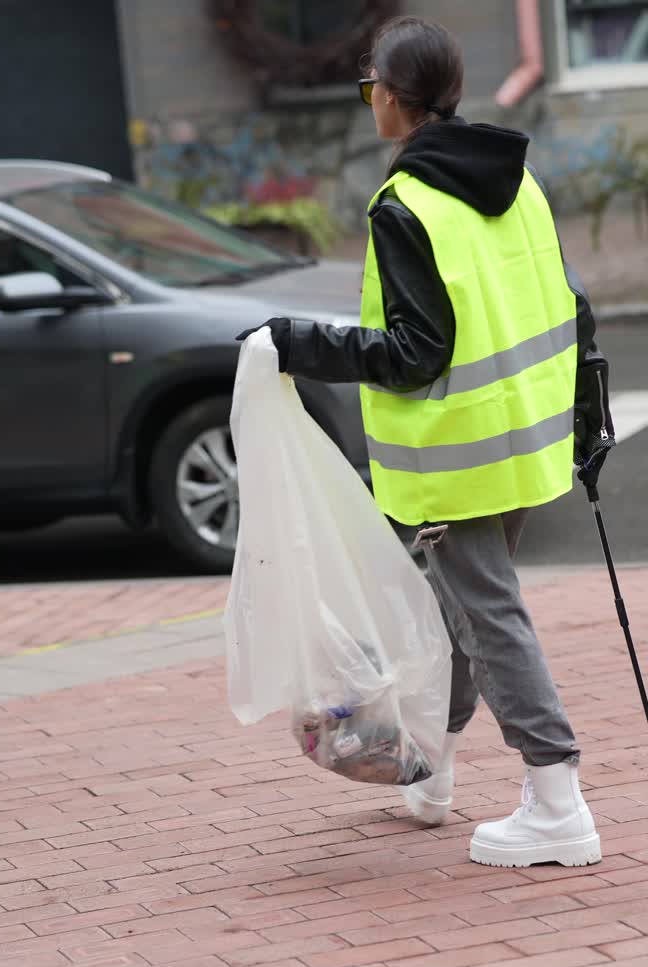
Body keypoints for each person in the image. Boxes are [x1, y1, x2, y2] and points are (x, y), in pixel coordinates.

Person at [238, 15, 613, 870]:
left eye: (370, 84)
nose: (369, 98)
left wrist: (300, 343)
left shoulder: (405, 205)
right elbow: (573, 307)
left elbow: (414, 355)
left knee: (488, 617)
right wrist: (587, 421)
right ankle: (432, 777)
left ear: (396, 102)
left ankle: (558, 800)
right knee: (459, 614)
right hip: (525, 437)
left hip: (459, 457)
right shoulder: (518, 184)